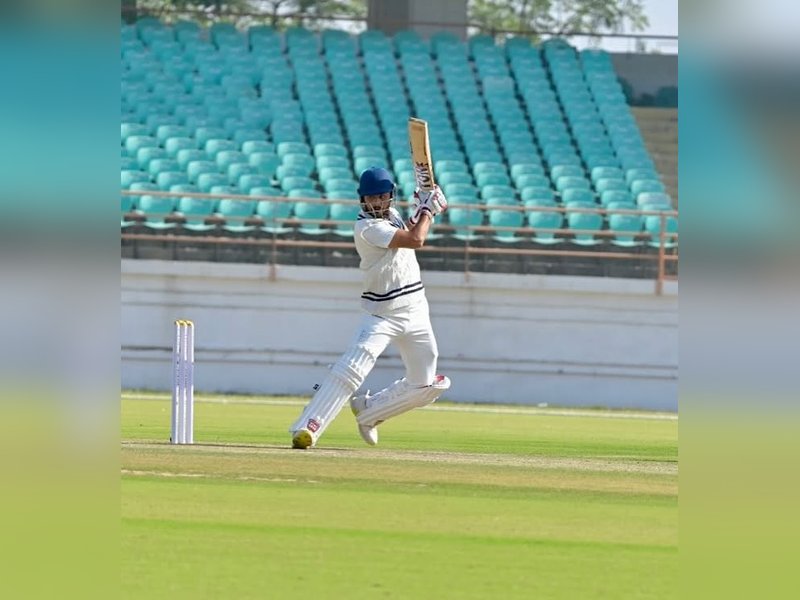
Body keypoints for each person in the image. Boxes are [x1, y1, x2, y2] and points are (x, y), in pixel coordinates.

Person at [289, 166, 451, 449]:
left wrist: (426, 208)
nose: (376, 202)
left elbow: (410, 229)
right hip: (382, 314)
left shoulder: (392, 215)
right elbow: (416, 239)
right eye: (371, 197)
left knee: (427, 385)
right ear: (362, 199)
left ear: (390, 196)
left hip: (415, 309)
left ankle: (370, 411)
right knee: (352, 368)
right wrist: (427, 209)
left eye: (381, 196)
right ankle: (308, 427)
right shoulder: (367, 227)